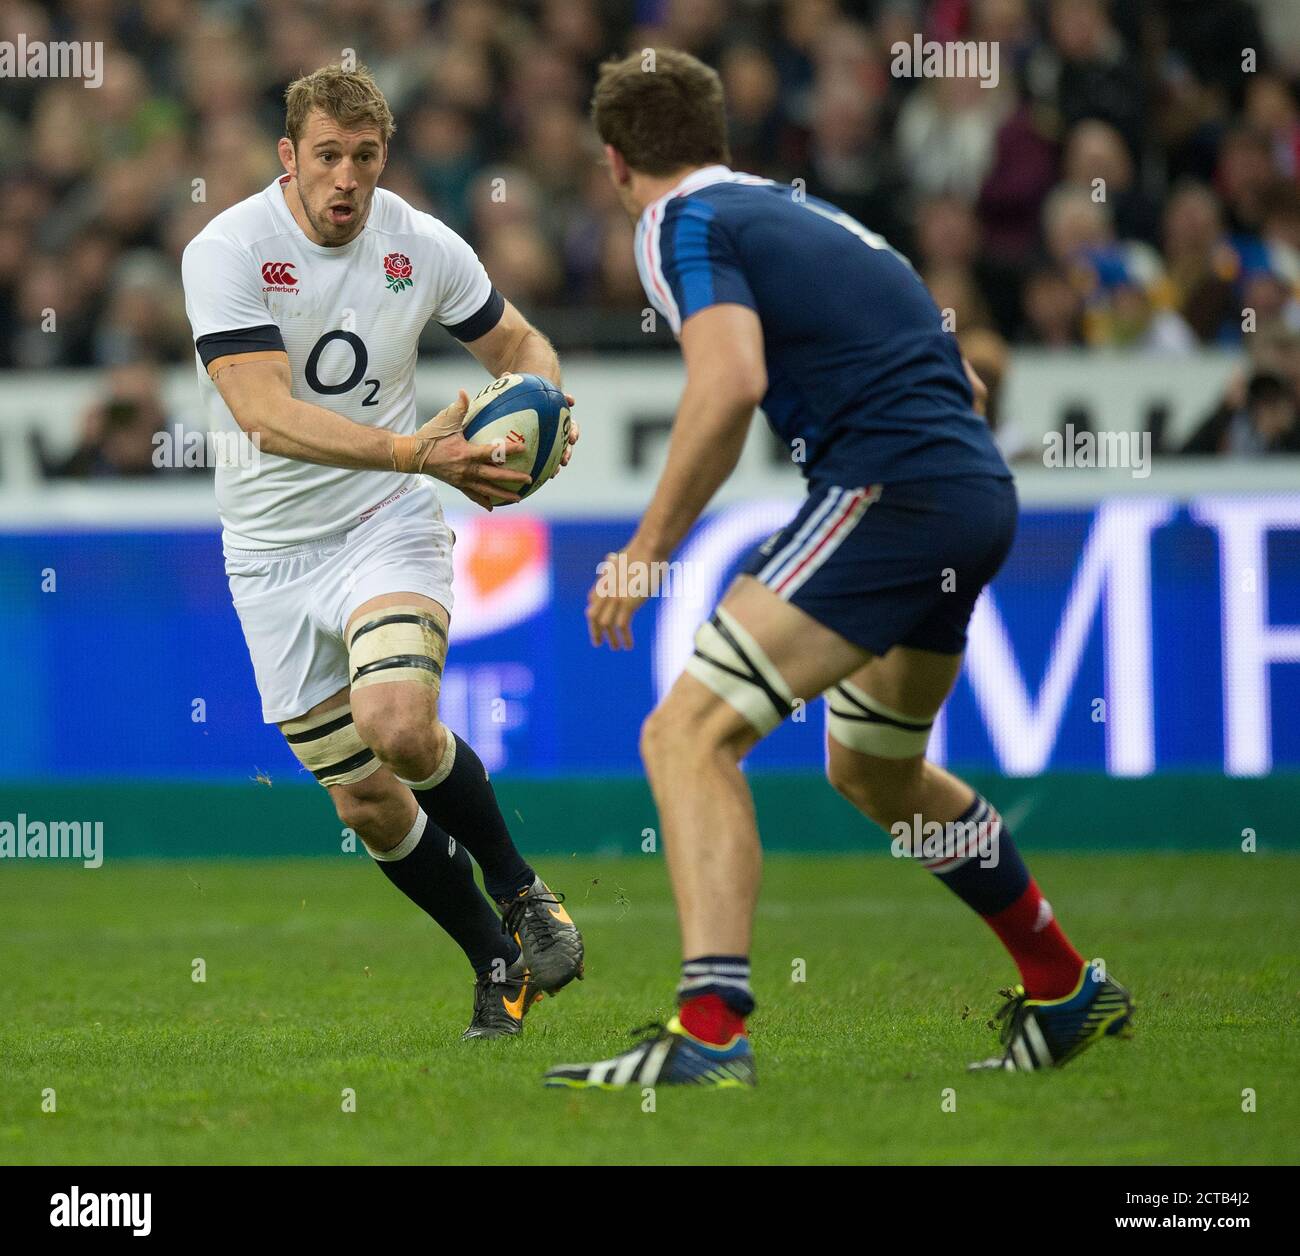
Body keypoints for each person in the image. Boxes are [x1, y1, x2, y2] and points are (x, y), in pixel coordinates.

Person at [544, 49, 1131, 1088]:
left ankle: (711, 1030)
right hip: (969, 490)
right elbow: (963, 382)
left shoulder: (677, 221)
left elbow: (727, 386)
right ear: (716, 137)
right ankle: (1061, 981)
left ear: (614, 161)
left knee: (685, 732)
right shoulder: (808, 215)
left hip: (892, 490)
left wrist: (643, 556)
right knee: (872, 768)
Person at [180, 64, 583, 1042]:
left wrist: (549, 418)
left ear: (384, 158)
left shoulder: (419, 243)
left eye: (364, 158)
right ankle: (495, 957)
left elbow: (521, 346)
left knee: (398, 723)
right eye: (326, 157)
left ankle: (526, 891)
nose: (346, 179)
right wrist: (416, 445)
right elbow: (263, 414)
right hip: (270, 555)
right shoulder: (226, 249)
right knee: (365, 800)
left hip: (386, 517)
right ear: (289, 158)